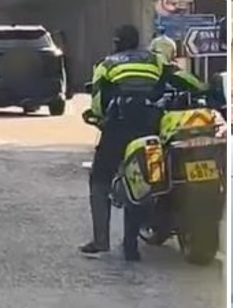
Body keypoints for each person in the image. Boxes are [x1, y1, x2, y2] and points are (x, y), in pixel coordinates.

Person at [79, 24, 205, 261]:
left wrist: (98, 117)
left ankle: (100, 241)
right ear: (138, 43)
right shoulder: (154, 61)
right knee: (142, 180)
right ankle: (131, 246)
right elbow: (187, 80)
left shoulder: (106, 64)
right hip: (149, 127)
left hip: (118, 128)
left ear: (116, 43)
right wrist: (207, 90)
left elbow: (97, 102)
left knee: (100, 180)